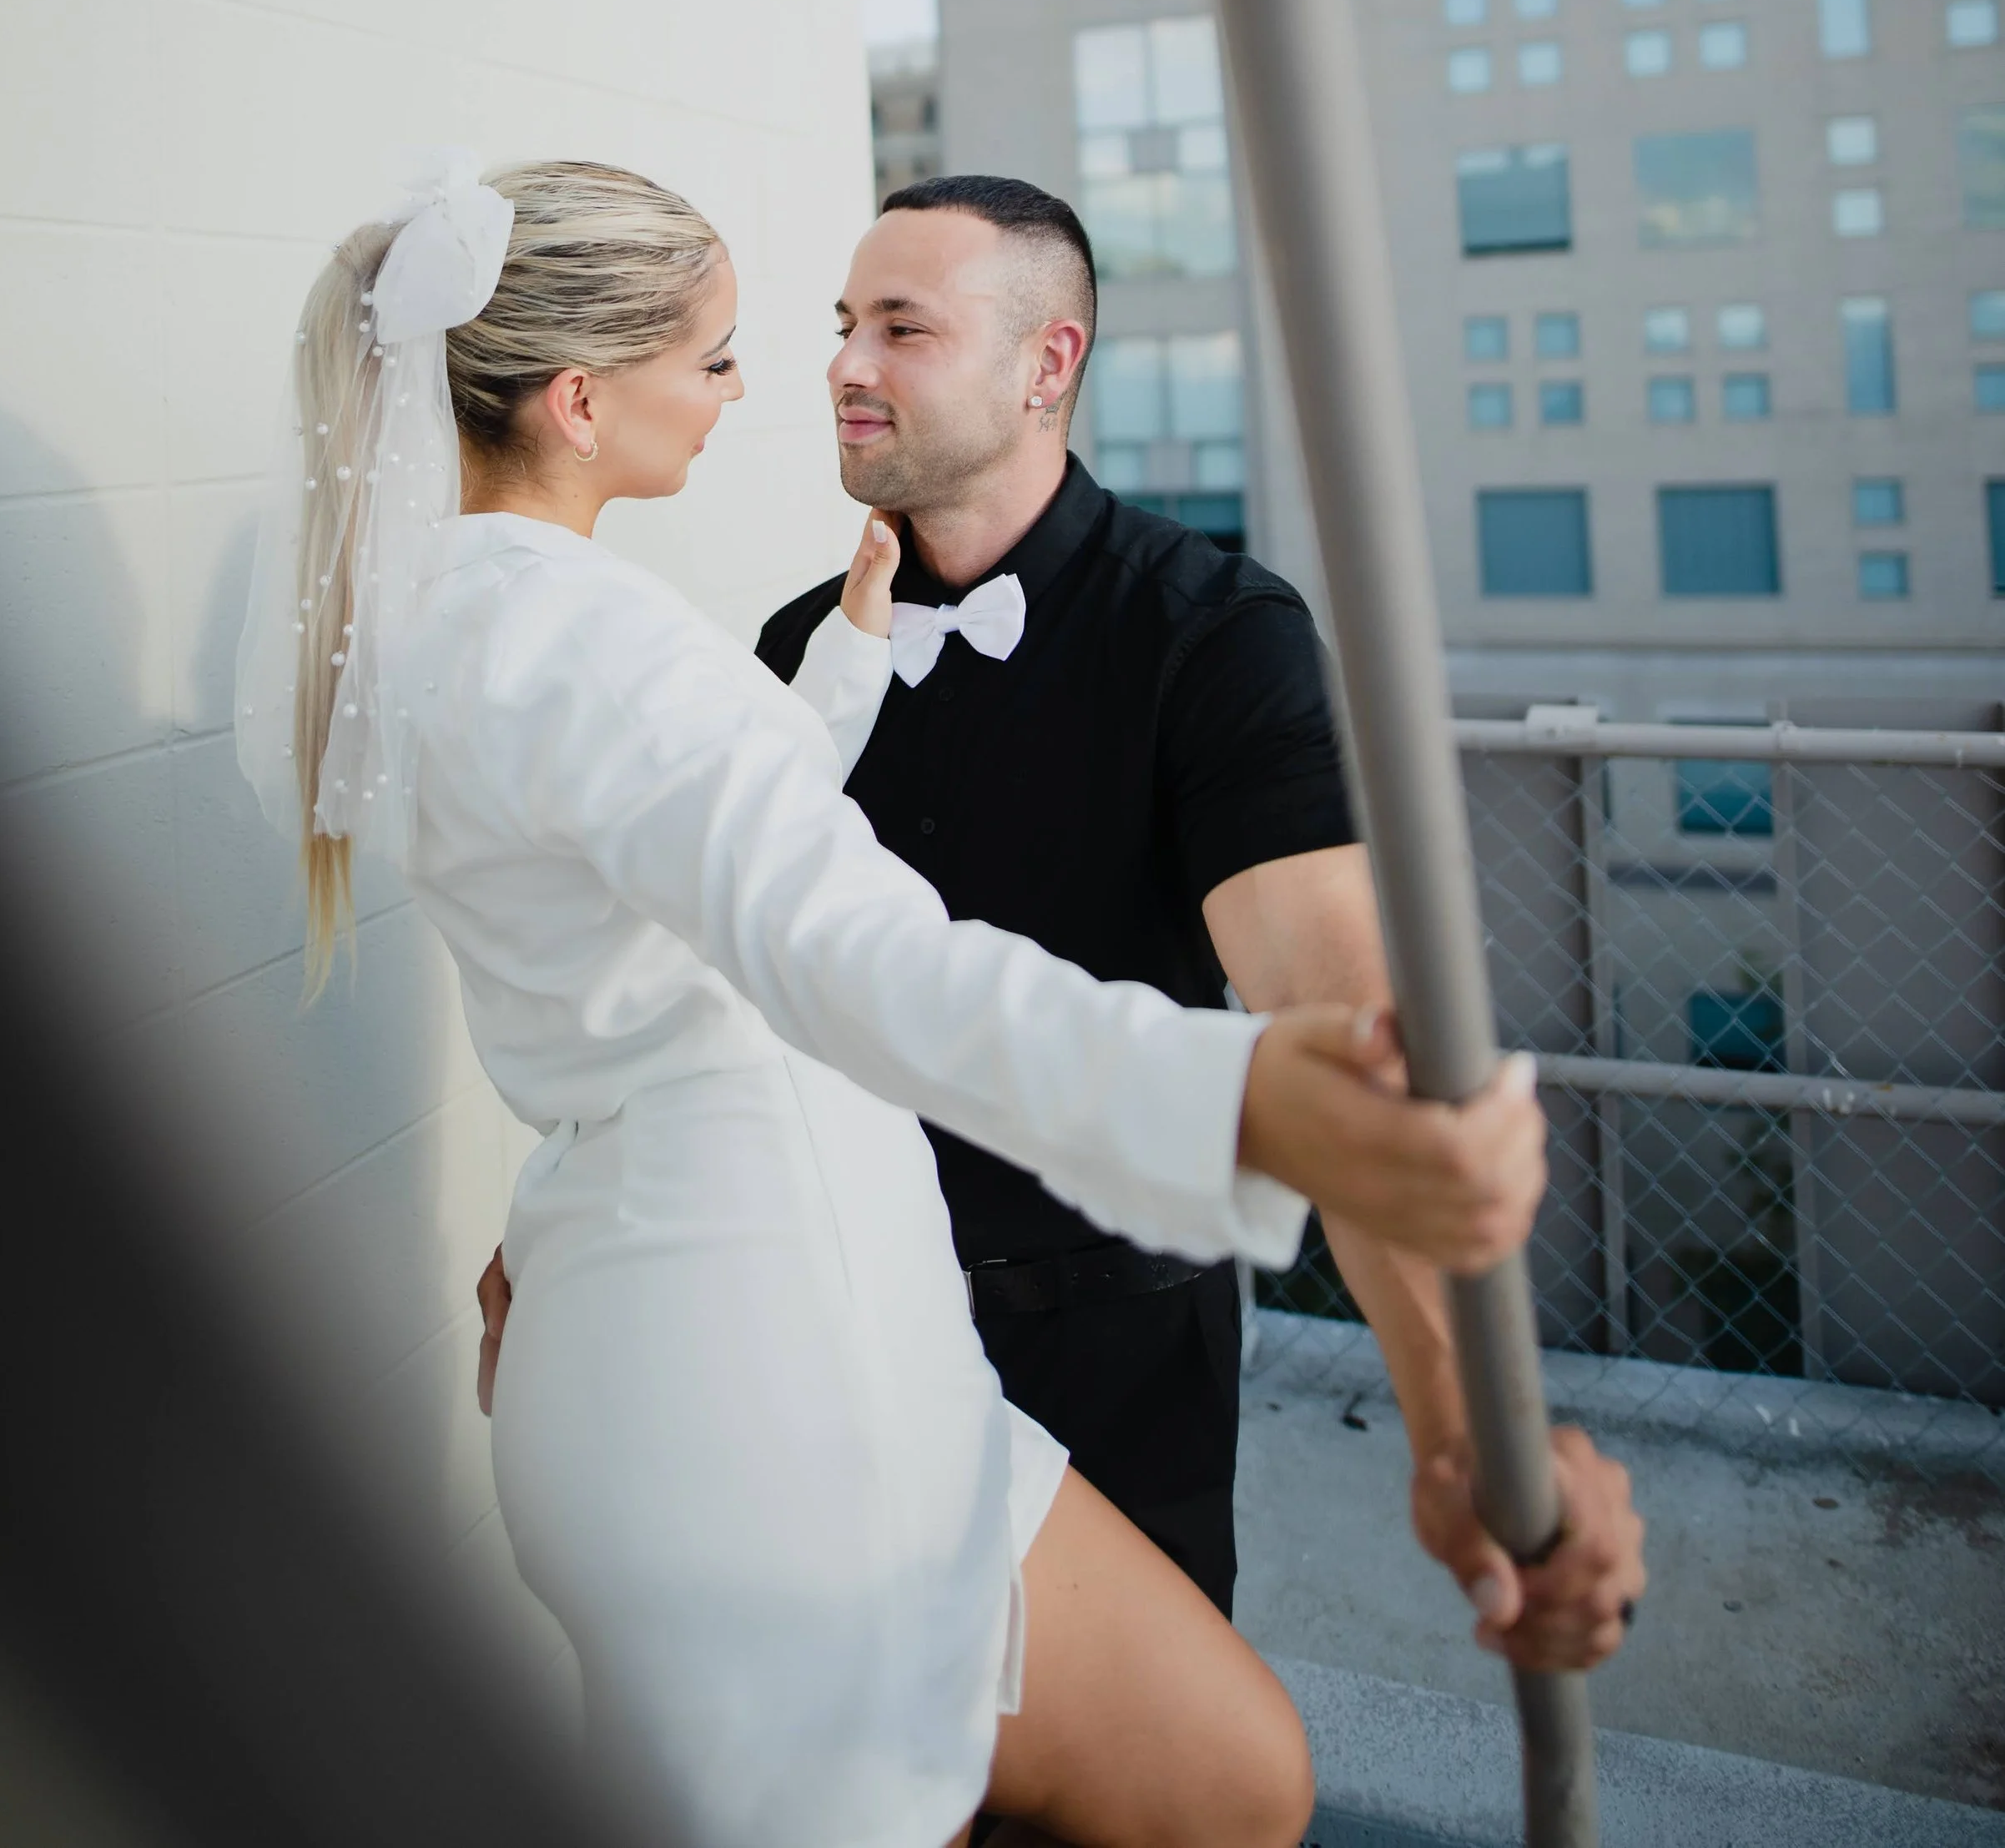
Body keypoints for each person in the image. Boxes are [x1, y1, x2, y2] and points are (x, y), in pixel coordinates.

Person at [238, 156, 1554, 1848]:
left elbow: (667, 906)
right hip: (774, 1367)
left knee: (1230, 1775)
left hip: (839, 1326)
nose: (778, 382)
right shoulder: (600, 644)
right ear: (577, 400)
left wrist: (565, 1218)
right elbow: (833, 944)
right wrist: (1227, 1093)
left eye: (889, 326)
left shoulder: (476, 632)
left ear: (1044, 361)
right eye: (726, 354)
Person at [480, 174, 1644, 1666]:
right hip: (804, 1330)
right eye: (844, 323)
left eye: (902, 326)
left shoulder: (1216, 637)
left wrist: (1458, 1425)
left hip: (1113, 1363)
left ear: (1049, 365)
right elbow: (673, 991)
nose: (841, 363)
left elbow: (1338, 1026)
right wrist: (567, 1243)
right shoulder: (791, 651)